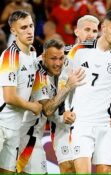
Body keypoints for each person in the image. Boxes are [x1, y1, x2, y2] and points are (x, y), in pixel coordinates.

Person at [61, 10, 111, 173]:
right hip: (81, 123)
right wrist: (64, 110)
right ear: (103, 27)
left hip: (107, 125)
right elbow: (63, 81)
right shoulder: (78, 50)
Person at [16, 39, 85, 174]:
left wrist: (63, 115)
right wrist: (68, 87)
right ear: (43, 56)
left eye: (61, 58)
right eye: (53, 59)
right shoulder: (37, 73)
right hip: (24, 134)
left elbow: (51, 109)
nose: (58, 63)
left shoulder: (54, 73)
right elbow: (47, 109)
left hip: (31, 134)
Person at [52, 14, 100, 173]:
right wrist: (62, 111)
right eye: (87, 29)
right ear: (76, 31)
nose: (91, 34)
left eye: (95, 30)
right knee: (67, 167)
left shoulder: (103, 58)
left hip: (87, 123)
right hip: (63, 120)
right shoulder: (62, 53)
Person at [0, 10, 43, 174]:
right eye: (23, 27)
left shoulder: (32, 53)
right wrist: (32, 107)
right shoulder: (10, 56)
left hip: (14, 126)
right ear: (13, 31)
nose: (29, 31)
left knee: (7, 171)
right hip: (1, 123)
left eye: (31, 26)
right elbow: (9, 97)